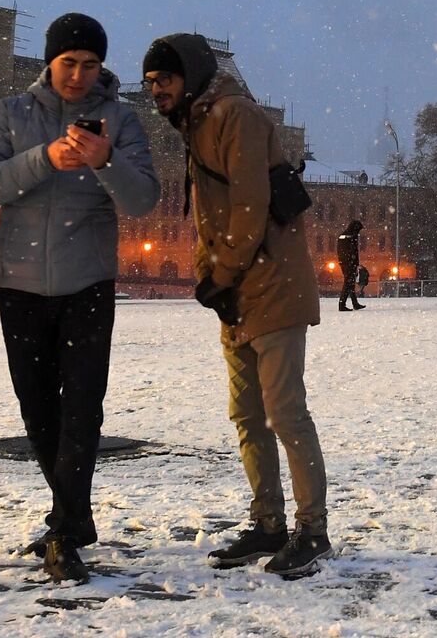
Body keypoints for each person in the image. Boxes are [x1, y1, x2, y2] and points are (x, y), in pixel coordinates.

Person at [0, 12, 161, 583]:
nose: (78, 74)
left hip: (89, 283)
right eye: (68, 62)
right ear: (49, 62)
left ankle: (65, 526)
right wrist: (42, 159)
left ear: (102, 67)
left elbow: (144, 199)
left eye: (90, 64)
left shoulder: (120, 120)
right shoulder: (11, 113)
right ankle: (74, 516)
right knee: (37, 408)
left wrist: (105, 160)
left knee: (82, 407)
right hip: (21, 282)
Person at [144, 33, 332, 579]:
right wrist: (214, 275)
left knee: (285, 414)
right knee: (249, 416)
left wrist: (219, 274)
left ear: (191, 77)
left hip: (270, 284)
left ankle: (312, 530)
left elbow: (249, 210)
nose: (157, 90)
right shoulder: (197, 123)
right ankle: (268, 523)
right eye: (152, 82)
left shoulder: (234, 117)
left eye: (166, 80)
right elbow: (215, 215)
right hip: (238, 289)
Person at [336, 220, 364, 311]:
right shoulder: (351, 236)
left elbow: (342, 250)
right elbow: (353, 251)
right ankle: (342, 304)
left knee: (350, 284)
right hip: (349, 263)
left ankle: (354, 304)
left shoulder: (345, 235)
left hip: (345, 262)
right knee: (348, 283)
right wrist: (354, 262)